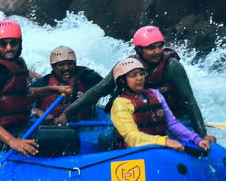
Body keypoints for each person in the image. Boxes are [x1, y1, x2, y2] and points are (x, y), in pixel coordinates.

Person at [56, 26, 216, 145]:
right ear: (139, 50)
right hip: (140, 118)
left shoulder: (172, 67)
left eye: (160, 46)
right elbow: (98, 91)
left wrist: (201, 134)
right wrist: (67, 114)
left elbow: (189, 101)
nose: (158, 51)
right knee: (106, 138)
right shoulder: (125, 68)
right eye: (151, 48)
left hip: (174, 118)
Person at [0, 19, 80, 157]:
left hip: (20, 128)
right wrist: (13, 141)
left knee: (64, 129)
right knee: (71, 138)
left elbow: (22, 95)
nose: (9, 48)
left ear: (20, 43)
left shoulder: (18, 63)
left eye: (13, 43)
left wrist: (53, 89)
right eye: (3, 44)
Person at [108, 57, 210, 153]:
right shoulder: (120, 104)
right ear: (122, 81)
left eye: (142, 73)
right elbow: (132, 138)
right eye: (133, 75)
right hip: (134, 154)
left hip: (159, 149)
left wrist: (196, 139)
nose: (139, 78)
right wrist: (164, 141)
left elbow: (172, 124)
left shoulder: (155, 94)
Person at [31, 46, 103, 122]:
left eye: (70, 64)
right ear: (53, 66)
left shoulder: (88, 78)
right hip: (49, 127)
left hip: (83, 127)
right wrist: (39, 112)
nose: (66, 68)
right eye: (61, 65)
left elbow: (109, 87)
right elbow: (19, 103)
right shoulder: (42, 83)